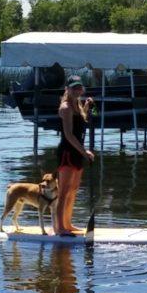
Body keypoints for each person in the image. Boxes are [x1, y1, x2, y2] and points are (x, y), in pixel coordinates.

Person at [55, 75, 95, 236]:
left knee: (74, 189)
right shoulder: (65, 107)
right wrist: (84, 151)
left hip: (77, 150)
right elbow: (69, 135)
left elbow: (80, 123)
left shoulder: (77, 105)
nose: (77, 90)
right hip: (67, 151)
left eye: (79, 87)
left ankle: (68, 223)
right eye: (74, 87)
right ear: (67, 89)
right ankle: (60, 228)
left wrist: (86, 106)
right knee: (64, 191)